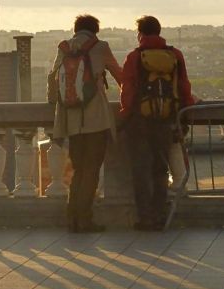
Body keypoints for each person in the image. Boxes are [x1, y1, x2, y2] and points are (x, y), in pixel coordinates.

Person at [48, 14, 122, 233]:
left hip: (70, 119)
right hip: (95, 119)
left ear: (75, 30)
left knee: (79, 169)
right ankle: (84, 219)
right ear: (95, 30)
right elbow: (120, 75)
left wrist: (55, 105)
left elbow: (53, 79)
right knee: (91, 169)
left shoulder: (64, 47)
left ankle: (73, 218)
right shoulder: (100, 47)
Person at [119, 15, 195, 231]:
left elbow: (128, 90)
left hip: (140, 122)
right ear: (159, 31)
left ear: (140, 34)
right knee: (160, 170)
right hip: (166, 120)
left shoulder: (135, 57)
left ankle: (145, 218)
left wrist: (126, 117)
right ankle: (161, 215)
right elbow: (184, 87)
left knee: (141, 171)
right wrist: (185, 115)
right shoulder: (174, 55)